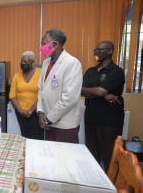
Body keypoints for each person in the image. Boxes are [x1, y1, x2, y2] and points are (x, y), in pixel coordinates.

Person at [81, 40, 125, 172]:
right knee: (92, 155)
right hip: (91, 118)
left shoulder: (116, 71)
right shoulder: (90, 71)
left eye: (99, 50)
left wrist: (100, 92)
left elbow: (96, 91)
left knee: (109, 157)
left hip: (109, 121)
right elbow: (79, 89)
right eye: (95, 49)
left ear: (110, 51)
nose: (95, 52)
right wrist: (104, 94)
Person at [37, 29, 82, 143]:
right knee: (51, 156)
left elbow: (70, 98)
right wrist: (41, 113)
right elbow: (40, 89)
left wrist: (49, 118)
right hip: (48, 122)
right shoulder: (46, 63)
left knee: (65, 158)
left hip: (64, 124)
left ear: (54, 44)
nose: (41, 47)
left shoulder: (72, 63)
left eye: (43, 43)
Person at [9, 51, 44, 139]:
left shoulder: (41, 73)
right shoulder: (17, 75)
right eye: (21, 61)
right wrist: (20, 110)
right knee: (25, 136)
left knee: (36, 137)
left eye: (25, 62)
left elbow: (43, 94)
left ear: (32, 62)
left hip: (36, 111)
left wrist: (32, 110)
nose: (23, 63)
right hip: (20, 112)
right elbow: (12, 95)